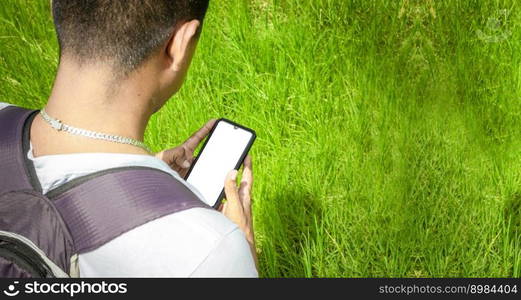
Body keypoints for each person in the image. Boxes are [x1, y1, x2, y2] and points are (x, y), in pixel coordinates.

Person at [0, 0, 257, 277]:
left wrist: (141, 180)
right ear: (179, 44)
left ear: (54, 8)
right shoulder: (208, 250)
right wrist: (240, 255)